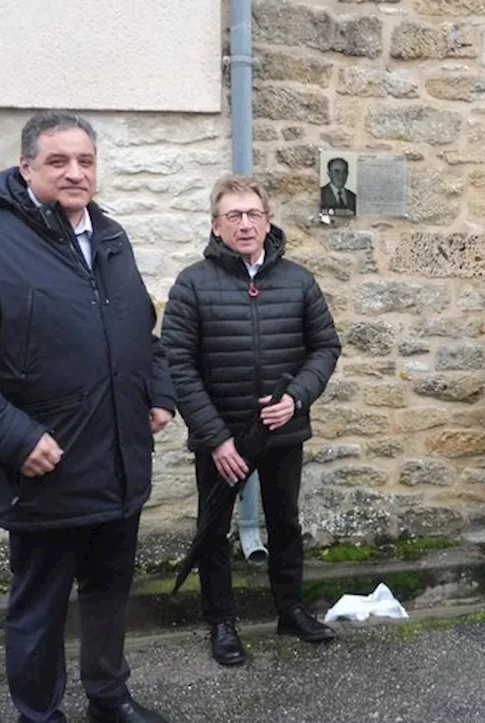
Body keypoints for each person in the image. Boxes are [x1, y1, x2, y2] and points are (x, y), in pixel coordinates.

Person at [0, 112, 173, 723]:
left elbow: (142, 328)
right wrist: (14, 436)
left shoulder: (110, 236)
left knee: (110, 594)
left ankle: (108, 700)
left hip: (117, 461)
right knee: (40, 608)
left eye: (85, 161)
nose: (75, 172)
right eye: (58, 162)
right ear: (27, 167)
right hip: (44, 472)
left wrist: (159, 393)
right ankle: (40, 715)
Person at [162, 175, 342, 666]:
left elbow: (326, 347)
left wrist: (297, 399)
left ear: (268, 220)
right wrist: (215, 438)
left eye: (253, 214)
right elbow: (176, 362)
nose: (245, 224)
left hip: (282, 431)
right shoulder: (192, 283)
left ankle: (291, 610)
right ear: (216, 226)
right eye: (233, 216)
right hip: (220, 438)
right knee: (214, 528)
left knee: (285, 522)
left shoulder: (299, 280)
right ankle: (221, 621)